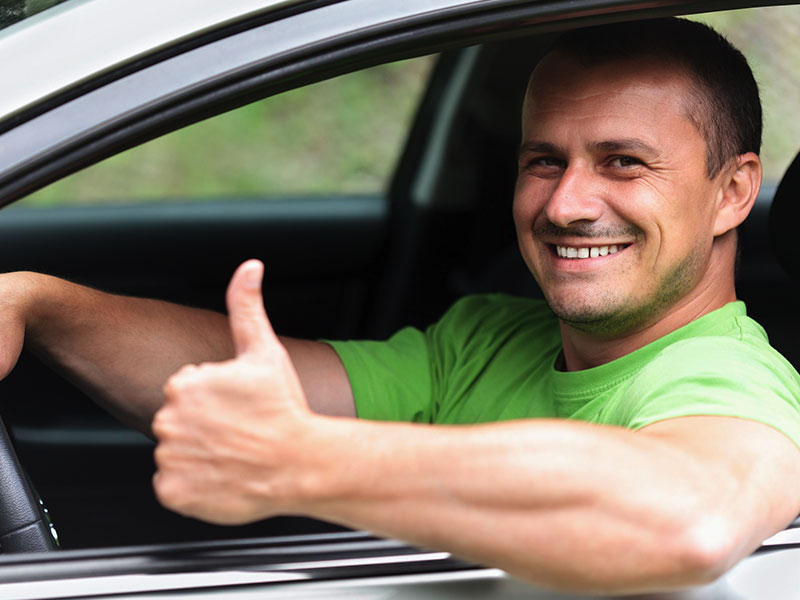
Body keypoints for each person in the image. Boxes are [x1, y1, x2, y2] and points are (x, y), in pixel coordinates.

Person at [1, 17, 799, 594]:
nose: (565, 205)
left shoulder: (730, 379)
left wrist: (297, 462)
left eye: (624, 163)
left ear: (732, 191)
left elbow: (688, 518)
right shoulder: (487, 337)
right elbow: (262, 384)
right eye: (543, 161)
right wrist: (42, 304)